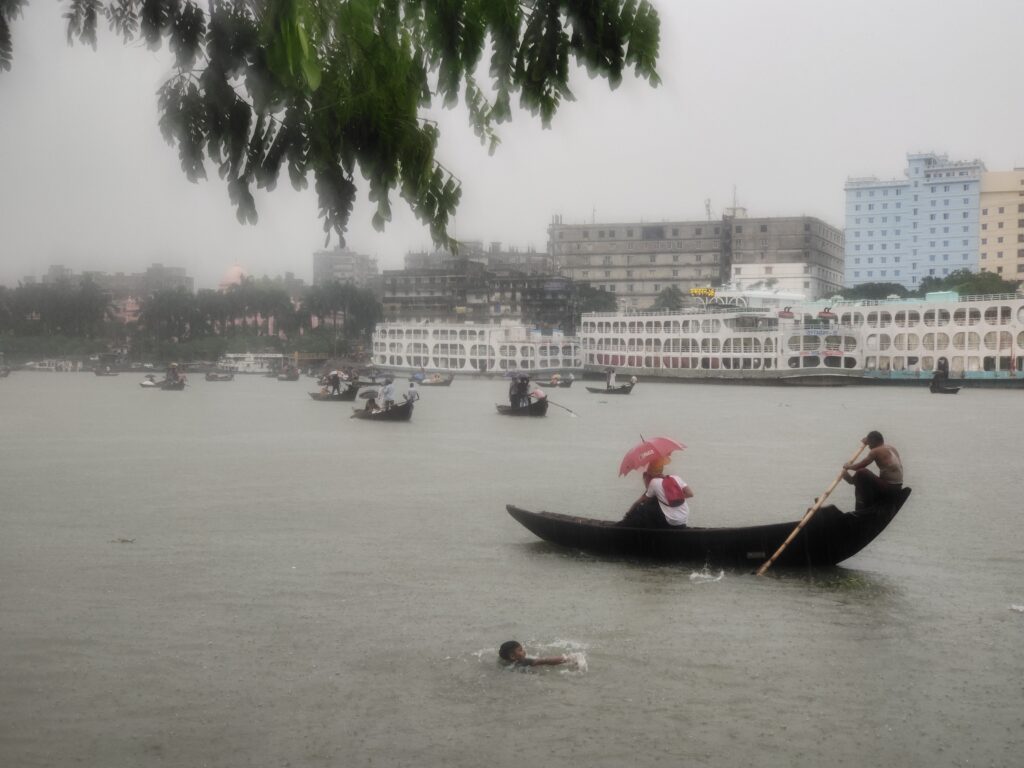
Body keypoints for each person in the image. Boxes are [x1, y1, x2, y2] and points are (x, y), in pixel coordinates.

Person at [617, 457, 693, 529]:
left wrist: (627, 515)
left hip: (671, 522)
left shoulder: (654, 482)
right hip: (683, 519)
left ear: (650, 471)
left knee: (644, 508)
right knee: (655, 502)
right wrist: (674, 497)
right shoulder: (676, 477)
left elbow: (639, 502)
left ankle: (627, 526)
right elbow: (690, 494)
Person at [842, 431, 903, 510]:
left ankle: (852, 481)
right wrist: (868, 441)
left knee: (862, 472)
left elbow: (860, 466)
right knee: (865, 475)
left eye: (869, 443)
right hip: (898, 486)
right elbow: (873, 441)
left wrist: (848, 466)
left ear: (874, 441)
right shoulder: (890, 448)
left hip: (890, 488)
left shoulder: (875, 451)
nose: (868, 446)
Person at [498, 641, 569, 669]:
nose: (524, 651)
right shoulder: (525, 661)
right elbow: (544, 660)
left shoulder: (503, 663)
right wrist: (566, 659)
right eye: (520, 650)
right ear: (512, 656)